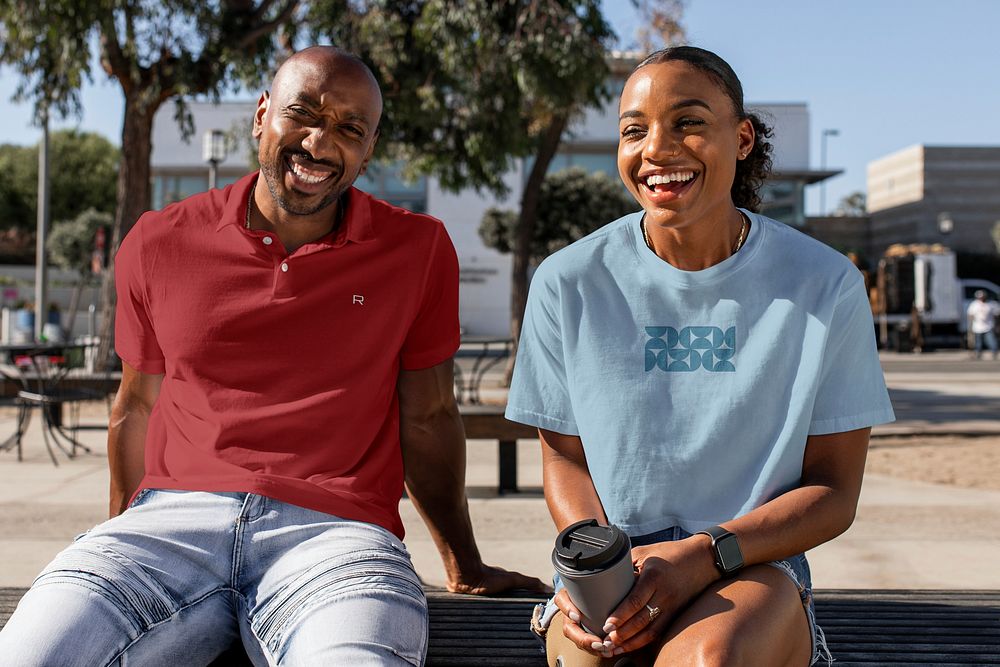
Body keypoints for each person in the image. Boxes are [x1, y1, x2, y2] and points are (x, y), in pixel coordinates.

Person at [0, 46, 545, 666]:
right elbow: (136, 407)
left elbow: (428, 417)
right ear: (261, 115)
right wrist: (120, 531)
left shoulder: (417, 250)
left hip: (337, 536)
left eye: (349, 129)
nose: (319, 142)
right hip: (169, 522)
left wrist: (462, 562)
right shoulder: (158, 239)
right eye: (302, 113)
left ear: (368, 152)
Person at [506, 46, 894, 667]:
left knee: (707, 661)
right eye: (635, 130)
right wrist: (595, 567)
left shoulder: (823, 284)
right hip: (615, 563)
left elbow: (833, 489)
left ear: (741, 139)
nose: (657, 148)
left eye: (688, 121)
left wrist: (704, 555)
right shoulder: (568, 281)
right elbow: (563, 457)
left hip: (752, 561)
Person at [967, 290, 999, 359]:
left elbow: (996, 315)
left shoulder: (991, 304)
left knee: (991, 341)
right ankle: (978, 354)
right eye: (980, 298)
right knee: (978, 342)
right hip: (977, 327)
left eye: (982, 297)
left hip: (988, 326)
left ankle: (994, 353)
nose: (981, 299)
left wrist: (997, 325)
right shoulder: (974, 304)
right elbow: (970, 315)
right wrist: (970, 325)